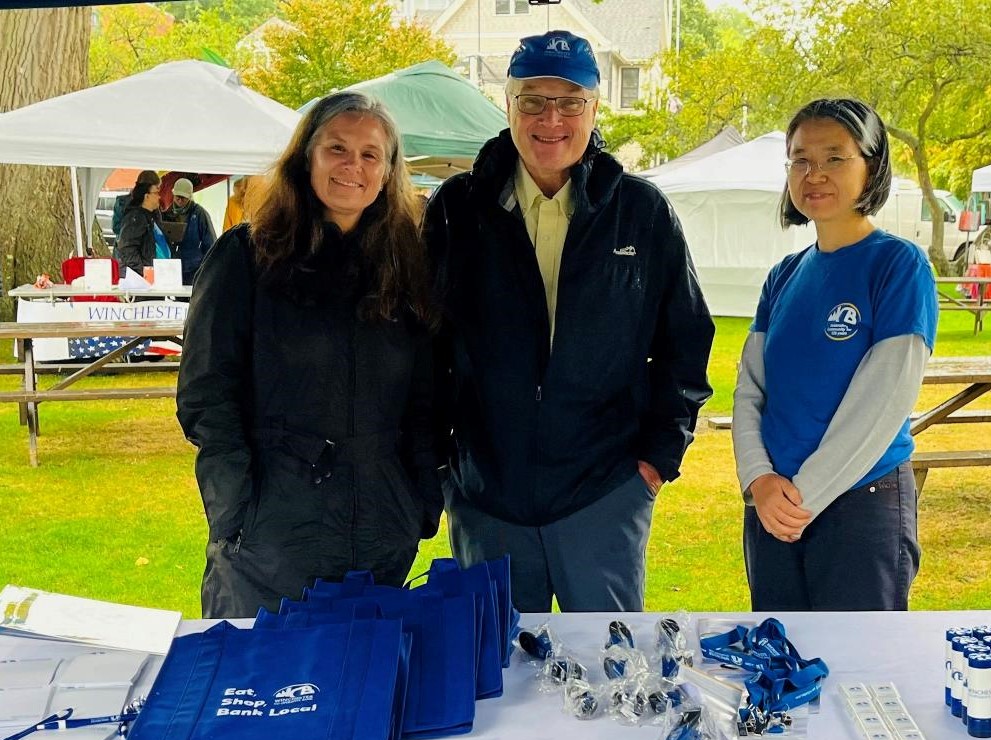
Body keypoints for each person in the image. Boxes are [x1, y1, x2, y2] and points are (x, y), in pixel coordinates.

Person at [423, 30, 715, 613]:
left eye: (570, 101)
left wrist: (656, 463)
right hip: (489, 498)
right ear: (507, 106)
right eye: (533, 100)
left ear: (594, 109)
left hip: (604, 494)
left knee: (612, 681)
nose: (550, 118)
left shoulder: (641, 212)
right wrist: (442, 461)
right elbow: (423, 345)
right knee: (496, 678)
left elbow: (685, 343)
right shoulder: (458, 209)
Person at [176, 91, 441, 619]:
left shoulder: (407, 267)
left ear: (388, 173)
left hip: (381, 523)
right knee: (265, 685)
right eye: (336, 148)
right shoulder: (246, 258)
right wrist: (235, 508)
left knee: (368, 682)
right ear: (306, 158)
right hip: (271, 528)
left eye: (370, 154)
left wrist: (419, 502)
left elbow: (428, 399)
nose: (353, 166)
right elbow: (207, 393)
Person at [732, 98, 938, 612]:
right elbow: (750, 389)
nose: (814, 174)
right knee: (780, 667)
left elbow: (882, 402)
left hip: (859, 504)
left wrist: (802, 497)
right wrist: (758, 479)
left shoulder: (898, 265)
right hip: (774, 507)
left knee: (858, 677)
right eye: (800, 160)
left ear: (872, 166)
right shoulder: (783, 276)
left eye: (834, 158)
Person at [163, 176, 217, 284]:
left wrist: (207, 268)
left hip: (194, 269)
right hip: (171, 268)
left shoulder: (200, 213)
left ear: (190, 197)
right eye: (178, 196)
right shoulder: (166, 214)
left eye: (184, 197)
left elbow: (210, 243)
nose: (180, 200)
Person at [115, 174, 168, 277]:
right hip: (144, 278)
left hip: (159, 274)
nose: (159, 196)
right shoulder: (135, 218)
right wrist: (143, 271)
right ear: (146, 196)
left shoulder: (154, 215)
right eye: (156, 192)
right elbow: (127, 248)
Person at [112, 170, 159, 242]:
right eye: (156, 191)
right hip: (127, 246)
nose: (158, 195)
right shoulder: (122, 202)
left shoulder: (154, 206)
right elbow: (116, 228)